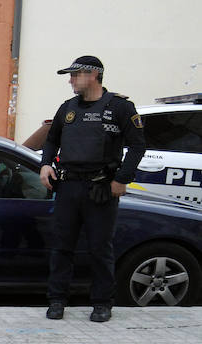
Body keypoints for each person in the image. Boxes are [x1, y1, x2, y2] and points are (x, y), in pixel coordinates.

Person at [39, 56, 145, 323]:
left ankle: (101, 303)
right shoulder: (68, 108)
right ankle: (57, 300)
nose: (70, 80)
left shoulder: (120, 107)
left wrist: (122, 179)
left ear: (93, 75)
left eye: (75, 75)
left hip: (101, 187)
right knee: (62, 246)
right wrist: (45, 164)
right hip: (69, 186)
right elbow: (51, 140)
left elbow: (137, 146)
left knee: (100, 248)